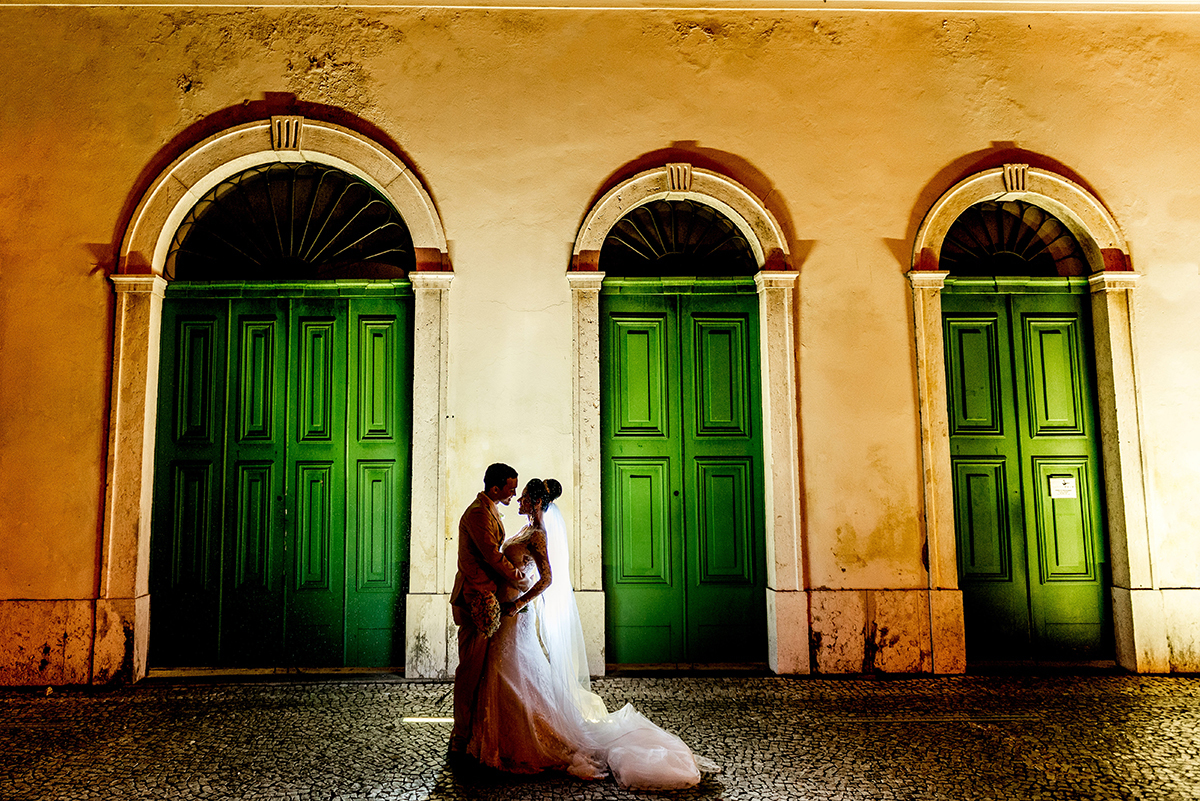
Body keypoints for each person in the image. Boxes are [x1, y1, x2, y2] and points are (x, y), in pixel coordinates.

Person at [464, 477, 717, 789]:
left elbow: (547, 580)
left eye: (524, 497)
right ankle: (499, 736)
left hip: (516, 614)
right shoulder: (525, 530)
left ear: (536, 502)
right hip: (505, 611)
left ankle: (524, 740)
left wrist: (518, 604)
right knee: (507, 674)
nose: (518, 501)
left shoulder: (539, 536)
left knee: (508, 671)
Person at [449, 462, 524, 755]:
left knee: (481, 670)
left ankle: (475, 732)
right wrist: (519, 577)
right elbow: (492, 556)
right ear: (495, 488)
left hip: (487, 594)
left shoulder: (488, 507)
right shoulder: (479, 513)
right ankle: (460, 736)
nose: (514, 494)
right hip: (475, 597)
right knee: (469, 670)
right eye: (511, 489)